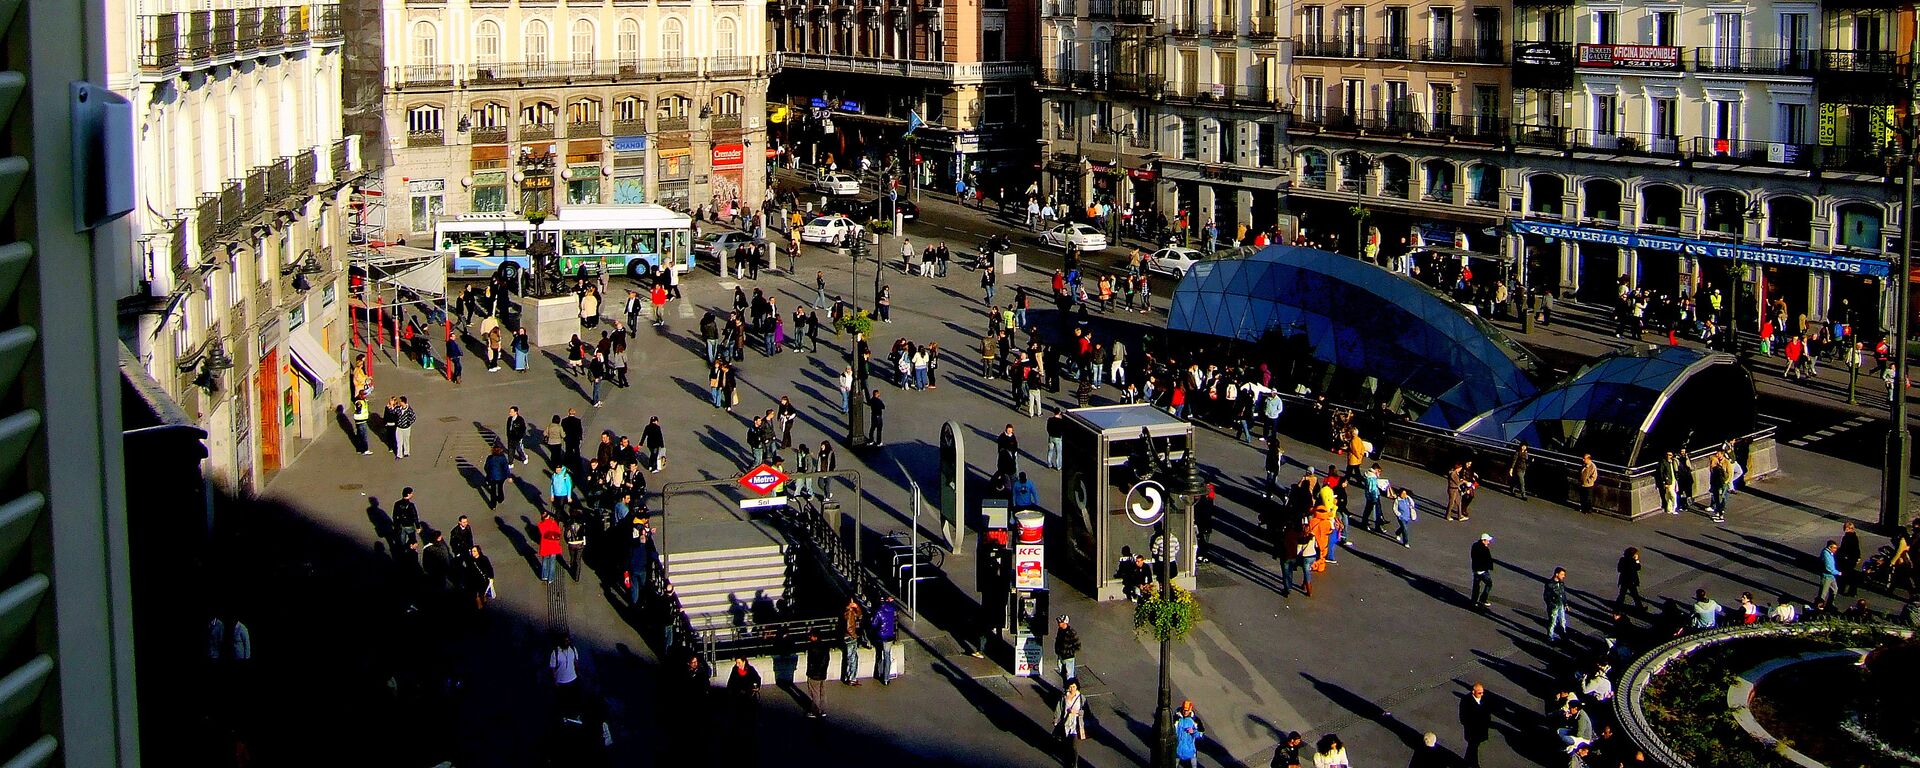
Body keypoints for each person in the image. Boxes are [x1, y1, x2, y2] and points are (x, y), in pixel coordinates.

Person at [1056, 680, 1088, 767]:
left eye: (1073, 687)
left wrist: (1076, 712)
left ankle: (1075, 764)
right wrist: (1056, 720)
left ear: (1077, 687)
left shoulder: (1081, 698)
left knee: (1074, 746)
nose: (1072, 689)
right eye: (1070, 687)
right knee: (1066, 744)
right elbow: (1059, 708)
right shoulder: (1064, 697)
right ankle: (1068, 759)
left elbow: (1086, 712)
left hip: (1076, 725)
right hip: (1066, 723)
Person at [1460, 683, 1492, 768]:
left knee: (1473, 747)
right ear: (1473, 691)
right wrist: (1469, 725)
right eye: (1479, 693)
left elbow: (1487, 712)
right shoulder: (1466, 701)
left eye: (1482, 692)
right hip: (1472, 730)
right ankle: (1474, 764)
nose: (1482, 694)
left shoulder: (1484, 699)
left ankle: (1467, 762)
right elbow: (1463, 717)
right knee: (1473, 746)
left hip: (1481, 729)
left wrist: (1487, 722)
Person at [550, 633, 581, 710]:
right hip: (561, 681)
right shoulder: (555, 652)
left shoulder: (573, 649)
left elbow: (576, 662)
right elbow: (553, 668)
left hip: (573, 679)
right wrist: (555, 681)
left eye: (568, 641)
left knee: (573, 699)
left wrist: (578, 673)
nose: (566, 642)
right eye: (565, 641)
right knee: (562, 699)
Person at [726, 656, 762, 724]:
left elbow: (757, 679)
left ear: (744, 662)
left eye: (739, 663)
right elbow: (730, 683)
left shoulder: (750, 669)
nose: (737, 665)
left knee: (750, 716)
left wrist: (757, 687)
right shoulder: (735, 670)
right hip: (738, 696)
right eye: (736, 663)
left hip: (749, 695)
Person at [871, 595, 898, 684]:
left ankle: (879, 673)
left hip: (880, 636)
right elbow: (895, 608)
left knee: (879, 654)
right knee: (887, 656)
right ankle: (886, 678)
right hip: (889, 636)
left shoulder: (878, 611)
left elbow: (873, 624)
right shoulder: (891, 609)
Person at [804, 634, 831, 718]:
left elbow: (811, 662)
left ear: (815, 637)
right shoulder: (825, 646)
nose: (809, 637)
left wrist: (809, 672)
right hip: (822, 674)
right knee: (822, 692)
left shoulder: (812, 647)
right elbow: (826, 660)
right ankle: (823, 710)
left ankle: (815, 711)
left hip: (814, 674)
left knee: (814, 693)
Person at [841, 597, 864, 686]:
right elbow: (849, 627)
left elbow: (859, 614)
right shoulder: (849, 613)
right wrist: (854, 636)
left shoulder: (847, 611)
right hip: (850, 637)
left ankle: (848, 677)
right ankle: (851, 679)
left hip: (847, 637)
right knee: (853, 659)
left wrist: (856, 607)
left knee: (850, 657)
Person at [1175, 702, 1205, 768]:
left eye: (1187, 710)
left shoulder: (1195, 721)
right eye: (1184, 710)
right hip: (1177, 750)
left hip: (1190, 751)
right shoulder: (1176, 719)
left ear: (1190, 710)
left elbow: (1201, 735)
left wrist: (1193, 732)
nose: (1185, 712)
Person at [537, 510, 564, 583]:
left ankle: (544, 576)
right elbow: (558, 532)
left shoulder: (540, 525)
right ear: (548, 516)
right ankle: (550, 578)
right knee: (552, 562)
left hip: (545, 546)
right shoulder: (553, 523)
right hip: (553, 545)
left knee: (545, 561)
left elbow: (541, 531)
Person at [1544, 567, 1570, 642]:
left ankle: (1563, 634)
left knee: (1563, 620)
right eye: (1562, 574)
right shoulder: (1550, 584)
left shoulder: (1561, 583)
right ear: (1556, 574)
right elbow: (1546, 596)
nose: (1563, 576)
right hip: (1554, 606)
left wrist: (1566, 604)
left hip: (1560, 604)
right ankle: (1550, 637)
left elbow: (1563, 594)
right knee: (1553, 622)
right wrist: (1551, 604)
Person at [1055, 615, 1081, 687]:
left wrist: (1069, 651)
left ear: (1065, 622)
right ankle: (1065, 687)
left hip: (1068, 657)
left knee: (1069, 675)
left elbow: (1077, 645)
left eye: (1060, 621)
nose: (1058, 623)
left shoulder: (1071, 632)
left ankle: (1071, 689)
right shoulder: (1060, 630)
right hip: (1061, 656)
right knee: (1062, 672)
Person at [1470, 534, 1494, 609]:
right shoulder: (1485, 549)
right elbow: (1488, 560)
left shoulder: (1474, 545)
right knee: (1489, 584)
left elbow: (1472, 556)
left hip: (1475, 570)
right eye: (1488, 541)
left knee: (1476, 586)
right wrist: (1489, 567)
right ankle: (1482, 599)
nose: (1489, 542)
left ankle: (1473, 601)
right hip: (1483, 571)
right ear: (1483, 540)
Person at [1838, 522, 1863, 596]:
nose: (1844, 529)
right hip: (1853, 559)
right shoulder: (1854, 537)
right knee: (1850, 574)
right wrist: (1858, 557)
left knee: (1846, 575)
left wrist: (1841, 554)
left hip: (1848, 559)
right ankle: (1852, 591)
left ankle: (1843, 589)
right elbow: (1857, 548)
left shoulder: (1847, 537)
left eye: (1845, 528)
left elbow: (1844, 549)